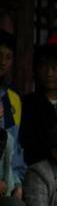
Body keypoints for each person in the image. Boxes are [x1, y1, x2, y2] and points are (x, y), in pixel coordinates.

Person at [0, 30, 25, 186]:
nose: (2, 61)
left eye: (8, 57)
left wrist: (17, 182)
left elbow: (14, 145)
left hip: (7, 182)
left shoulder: (13, 98)